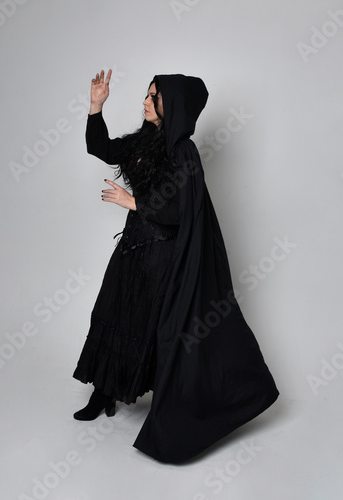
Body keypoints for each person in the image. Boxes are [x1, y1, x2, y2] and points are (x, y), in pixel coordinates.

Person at [73, 69, 279, 464]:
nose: (146, 101)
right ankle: (104, 391)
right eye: (147, 94)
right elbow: (101, 148)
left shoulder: (182, 151)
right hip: (133, 247)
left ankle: (153, 397)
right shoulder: (144, 140)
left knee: (146, 325)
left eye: (155, 97)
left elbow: (182, 209)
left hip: (161, 255)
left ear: (173, 107)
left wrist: (133, 202)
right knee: (112, 313)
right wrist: (96, 107)